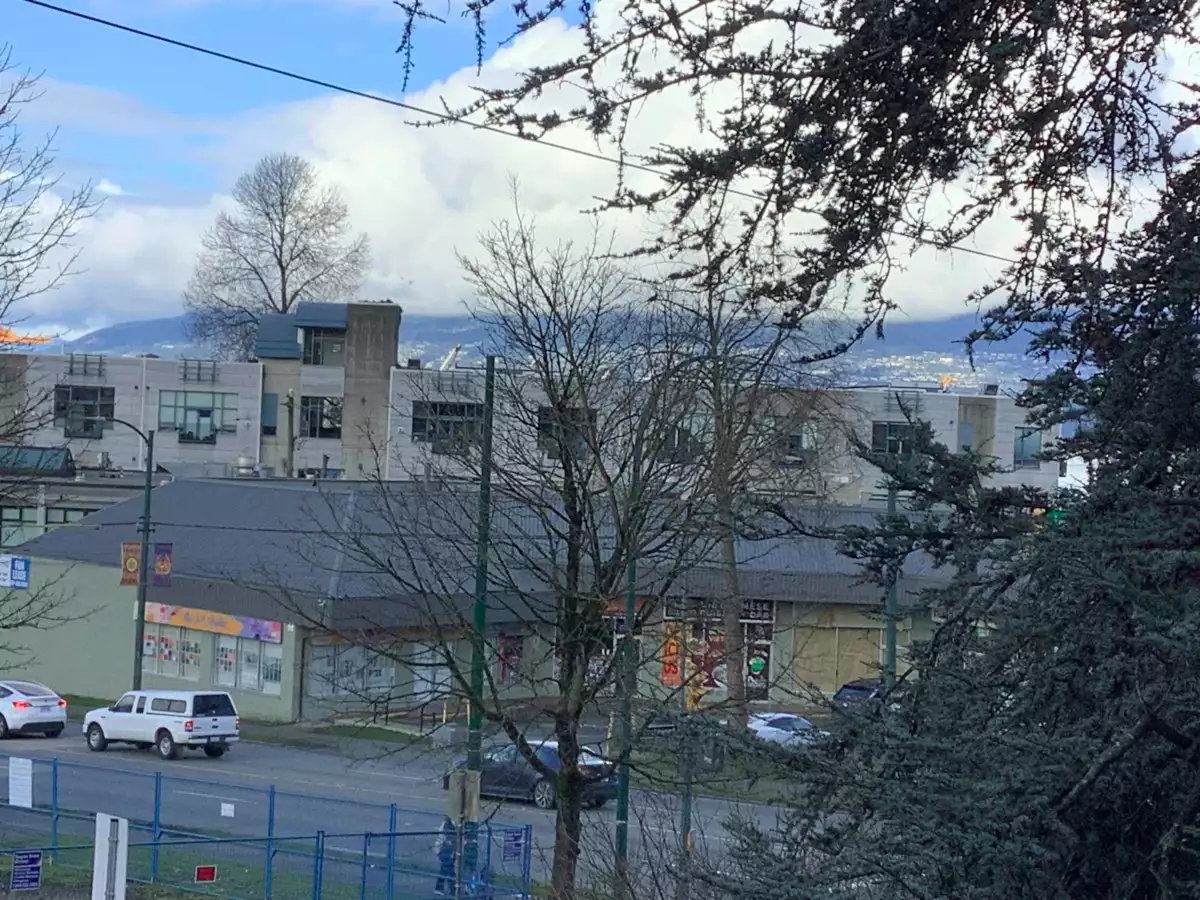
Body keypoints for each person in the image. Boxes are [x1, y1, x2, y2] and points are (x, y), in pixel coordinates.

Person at [435, 817, 457, 895]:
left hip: (448, 850)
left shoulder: (451, 823)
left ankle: (441, 888)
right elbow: (450, 837)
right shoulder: (448, 823)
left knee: (446, 869)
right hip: (444, 849)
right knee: (448, 869)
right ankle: (452, 890)